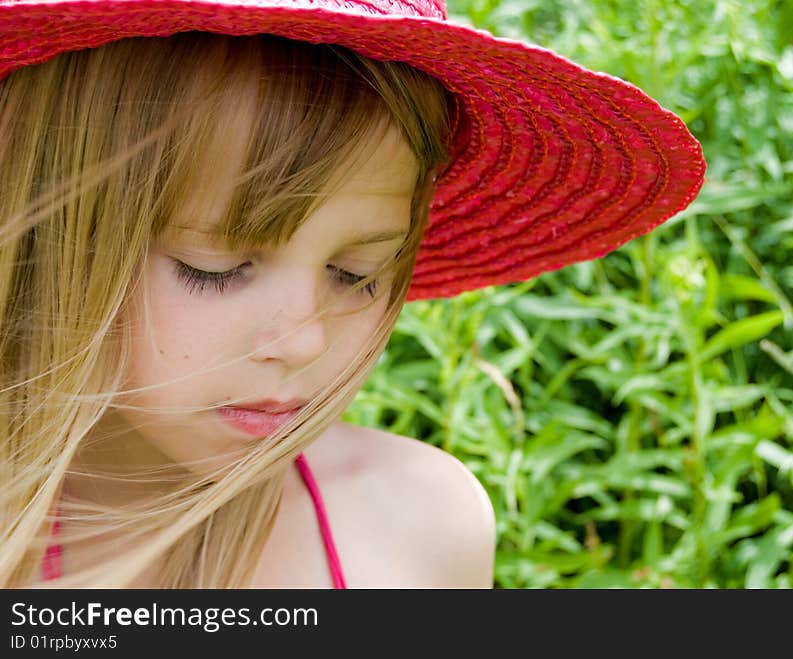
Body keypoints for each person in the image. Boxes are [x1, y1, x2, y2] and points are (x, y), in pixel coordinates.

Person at [0, 0, 705, 589]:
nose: (304, 339)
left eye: (361, 272)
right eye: (213, 267)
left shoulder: (417, 529)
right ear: (47, 228)